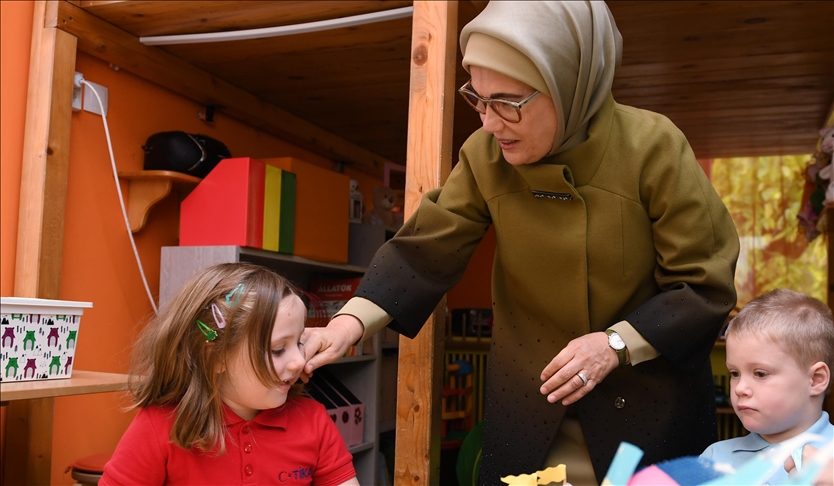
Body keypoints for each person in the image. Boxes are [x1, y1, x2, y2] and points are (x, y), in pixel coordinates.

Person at [303, 1, 740, 484]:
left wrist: (615, 343)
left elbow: (703, 286)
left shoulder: (652, 147)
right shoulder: (485, 155)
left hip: (646, 410)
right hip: (533, 409)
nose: (489, 123)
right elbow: (423, 250)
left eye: (507, 102)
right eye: (479, 98)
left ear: (569, 82)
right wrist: (345, 326)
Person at [100, 263, 359, 486]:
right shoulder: (159, 425)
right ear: (216, 357)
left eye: (299, 342)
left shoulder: (313, 420)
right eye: (278, 349)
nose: (299, 361)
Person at [700, 289, 834, 485]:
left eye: (760, 374)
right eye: (735, 373)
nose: (740, 388)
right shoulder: (713, 459)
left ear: (815, 379)